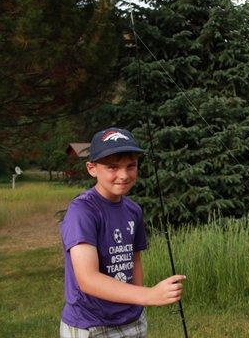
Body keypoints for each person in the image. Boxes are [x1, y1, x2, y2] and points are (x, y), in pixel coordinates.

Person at [59, 127, 185, 338]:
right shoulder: (82, 210)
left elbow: (134, 260)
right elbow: (87, 279)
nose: (124, 175)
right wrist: (148, 295)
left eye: (131, 166)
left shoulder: (133, 210)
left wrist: (137, 306)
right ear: (92, 168)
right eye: (112, 167)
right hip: (90, 324)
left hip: (131, 318)